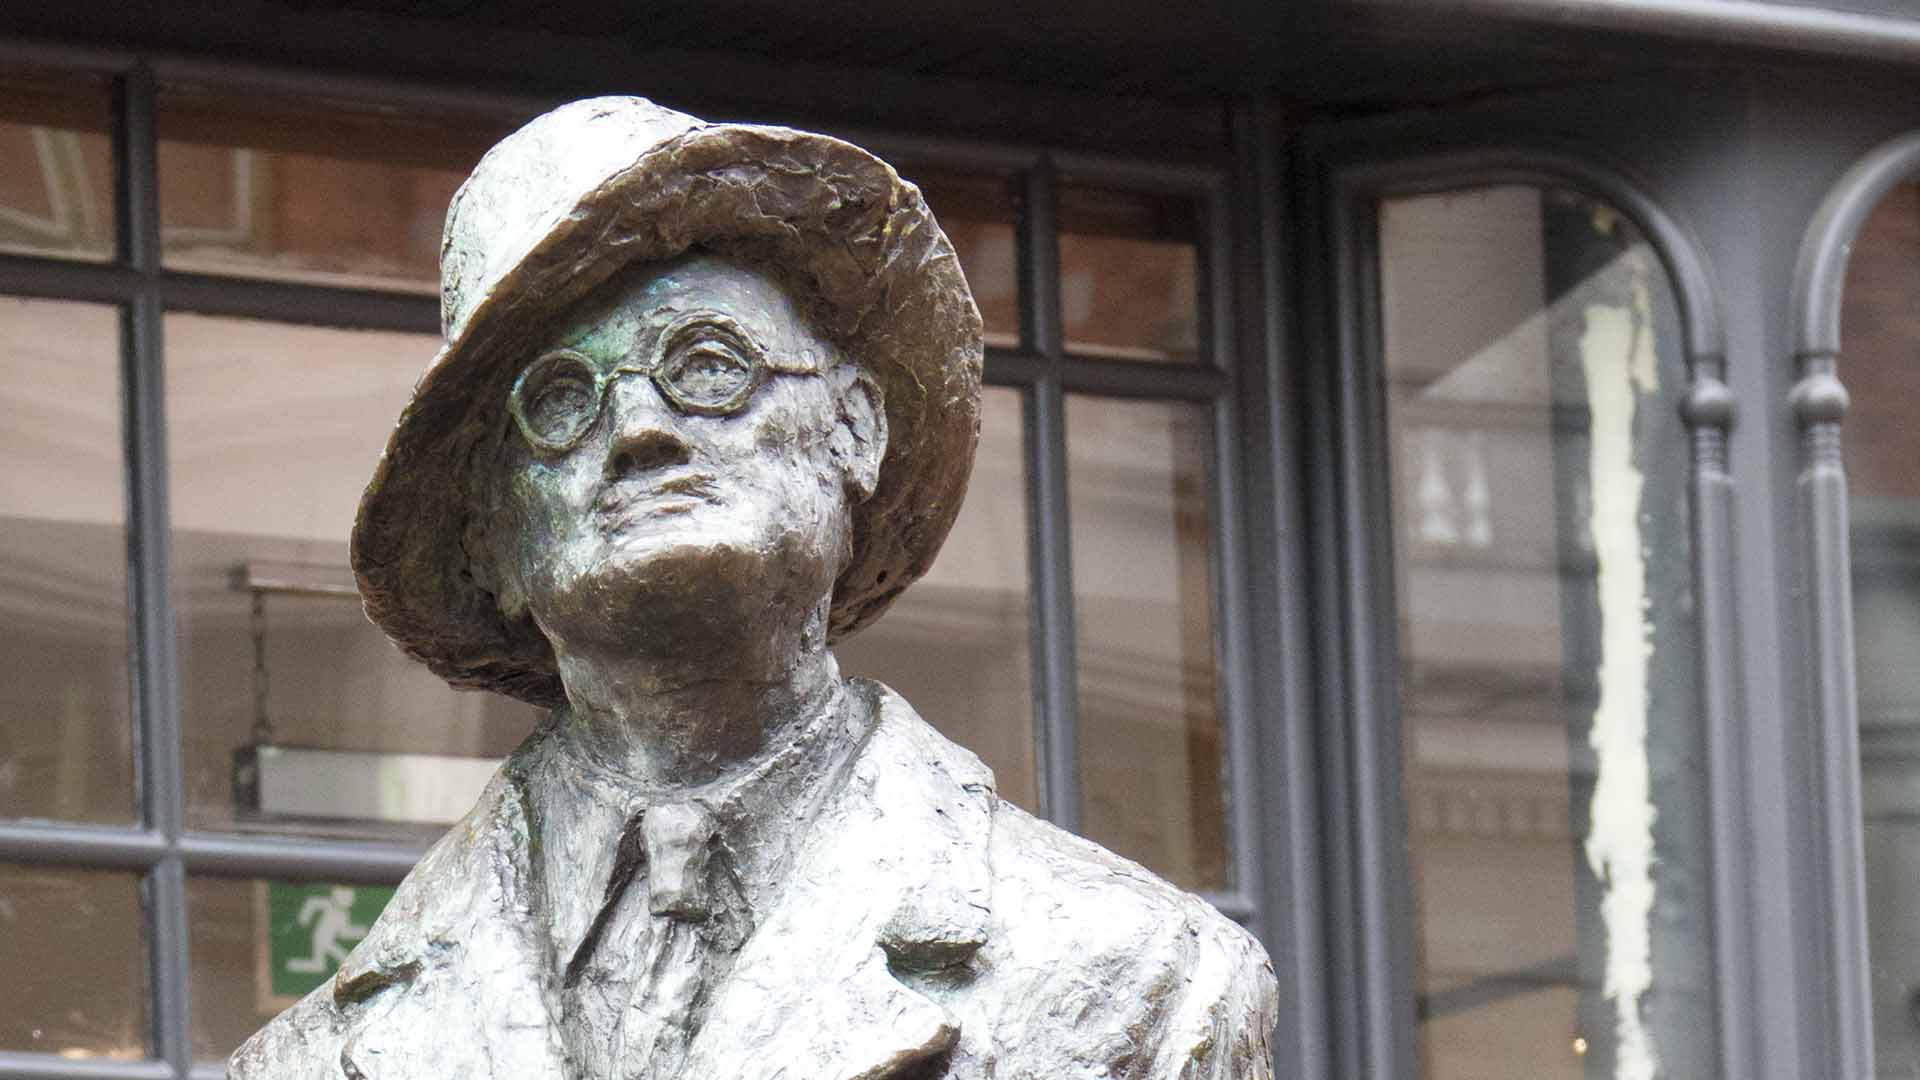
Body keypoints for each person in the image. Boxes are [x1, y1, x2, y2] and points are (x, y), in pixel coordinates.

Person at [230, 96, 1276, 1080]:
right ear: (491, 540)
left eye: (709, 365)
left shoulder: (1146, 985)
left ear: (856, 429)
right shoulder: (314, 1063)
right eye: (558, 401)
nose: (640, 430)